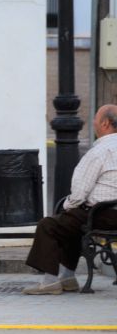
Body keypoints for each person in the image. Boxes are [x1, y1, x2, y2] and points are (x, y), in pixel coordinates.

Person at [23, 104, 117, 295]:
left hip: (100, 215)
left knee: (49, 225)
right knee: (70, 223)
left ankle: (50, 281)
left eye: (96, 120)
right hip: (111, 214)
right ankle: (67, 278)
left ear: (105, 124)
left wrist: (67, 206)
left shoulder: (100, 151)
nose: (94, 124)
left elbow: (79, 193)